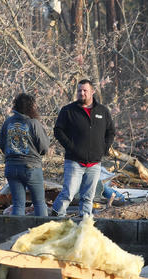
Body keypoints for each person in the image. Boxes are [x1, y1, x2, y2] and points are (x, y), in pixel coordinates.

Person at [52, 79, 115, 217]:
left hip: (94, 163)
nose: (82, 93)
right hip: (74, 161)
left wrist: (104, 148)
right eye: (79, 90)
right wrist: (71, 147)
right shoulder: (68, 110)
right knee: (69, 193)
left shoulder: (102, 111)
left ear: (92, 91)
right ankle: (56, 216)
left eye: (85, 90)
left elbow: (110, 131)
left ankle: (84, 222)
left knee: (88, 197)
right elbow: (58, 131)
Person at [0, 93, 50, 216]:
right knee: (39, 203)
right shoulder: (34, 123)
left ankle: (18, 233)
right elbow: (44, 147)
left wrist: (12, 154)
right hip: (31, 167)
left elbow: (1, 144)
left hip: (11, 167)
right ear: (31, 107)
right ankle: (44, 233)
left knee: (18, 204)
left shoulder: (8, 123)